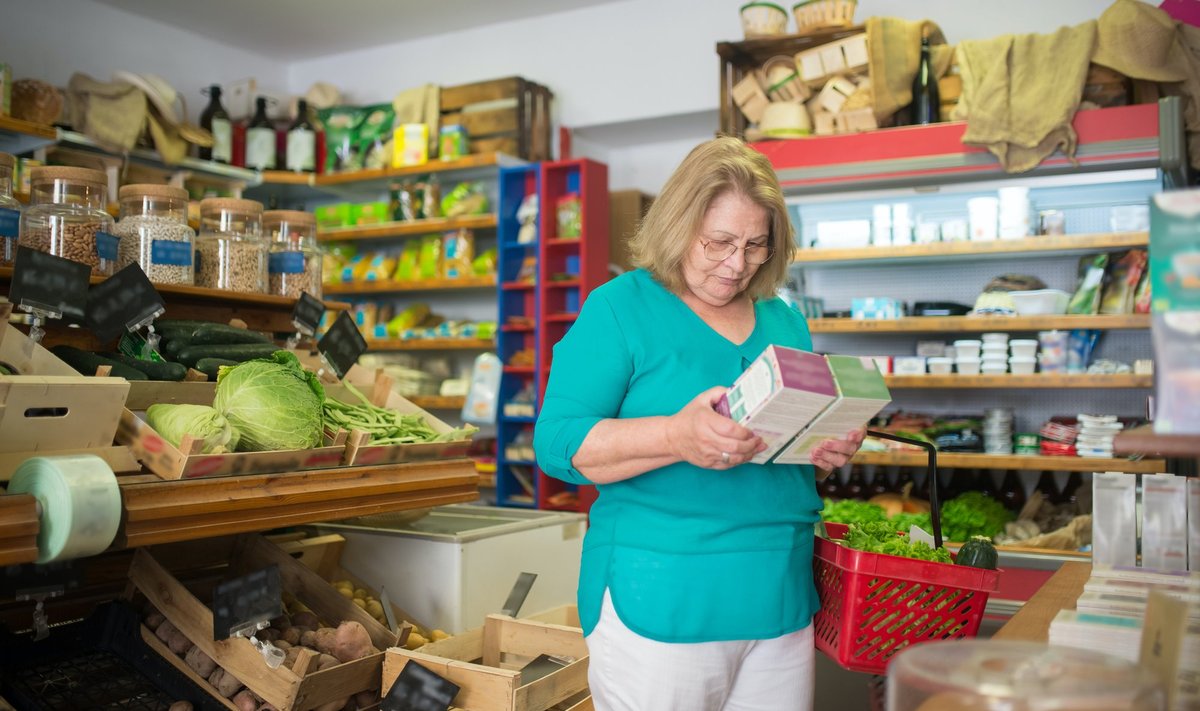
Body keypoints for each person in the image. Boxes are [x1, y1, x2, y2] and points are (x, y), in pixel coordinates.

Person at [533, 136, 866, 711]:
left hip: (780, 593)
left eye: (755, 245)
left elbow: (783, 447)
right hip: (662, 595)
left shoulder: (784, 320)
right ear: (678, 225)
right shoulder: (620, 308)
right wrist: (674, 435)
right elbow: (558, 443)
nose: (737, 264)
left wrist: (824, 442)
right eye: (719, 243)